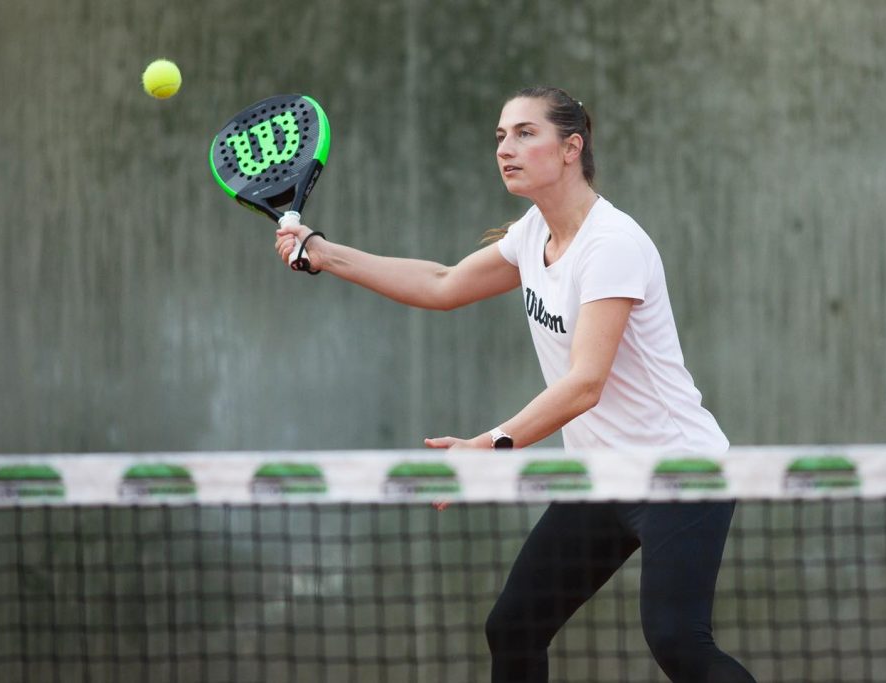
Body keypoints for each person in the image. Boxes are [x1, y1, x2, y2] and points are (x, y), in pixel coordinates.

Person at [274, 86, 755, 683]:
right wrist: (323, 252)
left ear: (571, 147)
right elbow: (444, 284)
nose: (507, 147)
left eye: (526, 133)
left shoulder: (613, 246)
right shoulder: (533, 235)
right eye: (501, 136)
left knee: (677, 640)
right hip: (603, 479)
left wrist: (490, 445)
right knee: (513, 627)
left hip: (680, 474)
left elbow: (585, 385)